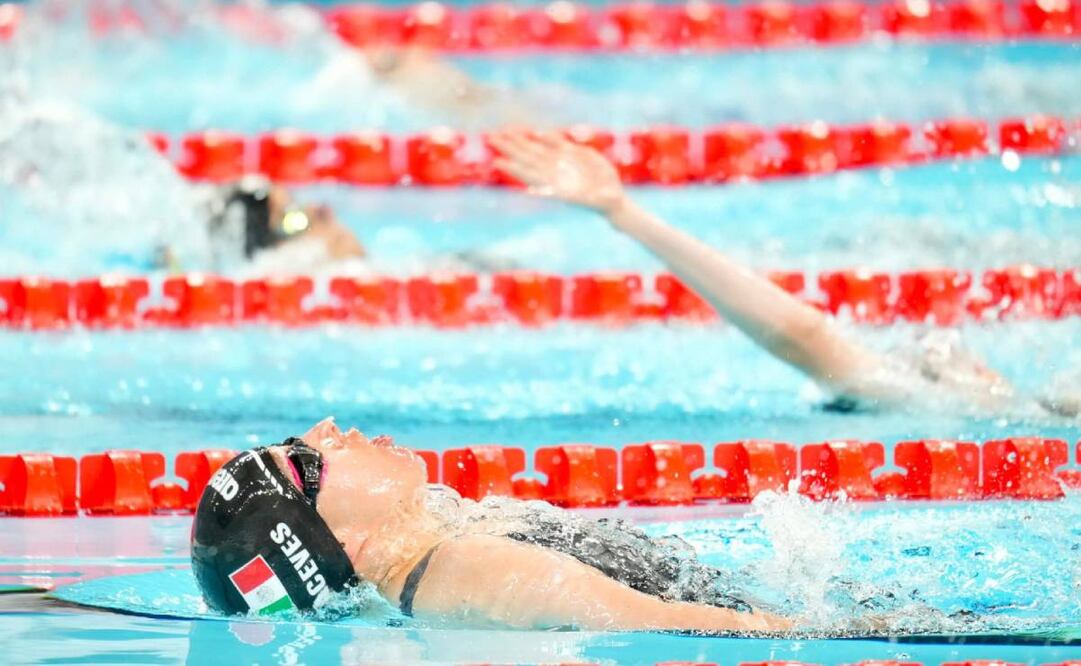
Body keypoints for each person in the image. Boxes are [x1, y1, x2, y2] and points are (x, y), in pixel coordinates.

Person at [487, 131, 1081, 417]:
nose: (946, 346)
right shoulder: (1015, 411)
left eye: (935, 361)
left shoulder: (997, 412)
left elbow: (805, 338)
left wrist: (625, 214)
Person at [191, 418, 794, 633]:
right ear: (333, 544)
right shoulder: (465, 571)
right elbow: (676, 625)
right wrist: (863, 633)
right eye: (307, 460)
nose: (329, 427)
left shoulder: (436, 556)